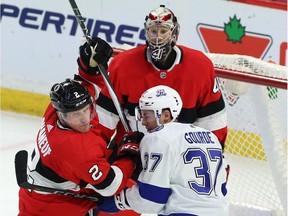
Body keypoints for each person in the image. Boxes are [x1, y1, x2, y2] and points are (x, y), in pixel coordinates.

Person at [80, 5, 228, 151]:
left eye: (163, 31)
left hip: (178, 160)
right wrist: (93, 156)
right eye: (153, 31)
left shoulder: (200, 67)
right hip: (132, 155)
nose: (157, 37)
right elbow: (102, 123)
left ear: (174, 33)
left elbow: (213, 125)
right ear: (146, 32)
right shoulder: (123, 64)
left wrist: (214, 159)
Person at [18, 78, 144, 216]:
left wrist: (89, 68)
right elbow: (110, 185)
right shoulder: (73, 147)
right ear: (61, 115)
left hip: (39, 193)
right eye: (76, 115)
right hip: (51, 206)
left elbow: (87, 83)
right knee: (134, 201)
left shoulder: (54, 111)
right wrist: (129, 156)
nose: (84, 119)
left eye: (85, 110)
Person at [99, 85, 229, 216]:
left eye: (146, 116)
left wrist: (118, 201)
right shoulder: (210, 137)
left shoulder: (158, 137)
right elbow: (222, 189)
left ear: (166, 115)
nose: (143, 122)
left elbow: (151, 200)